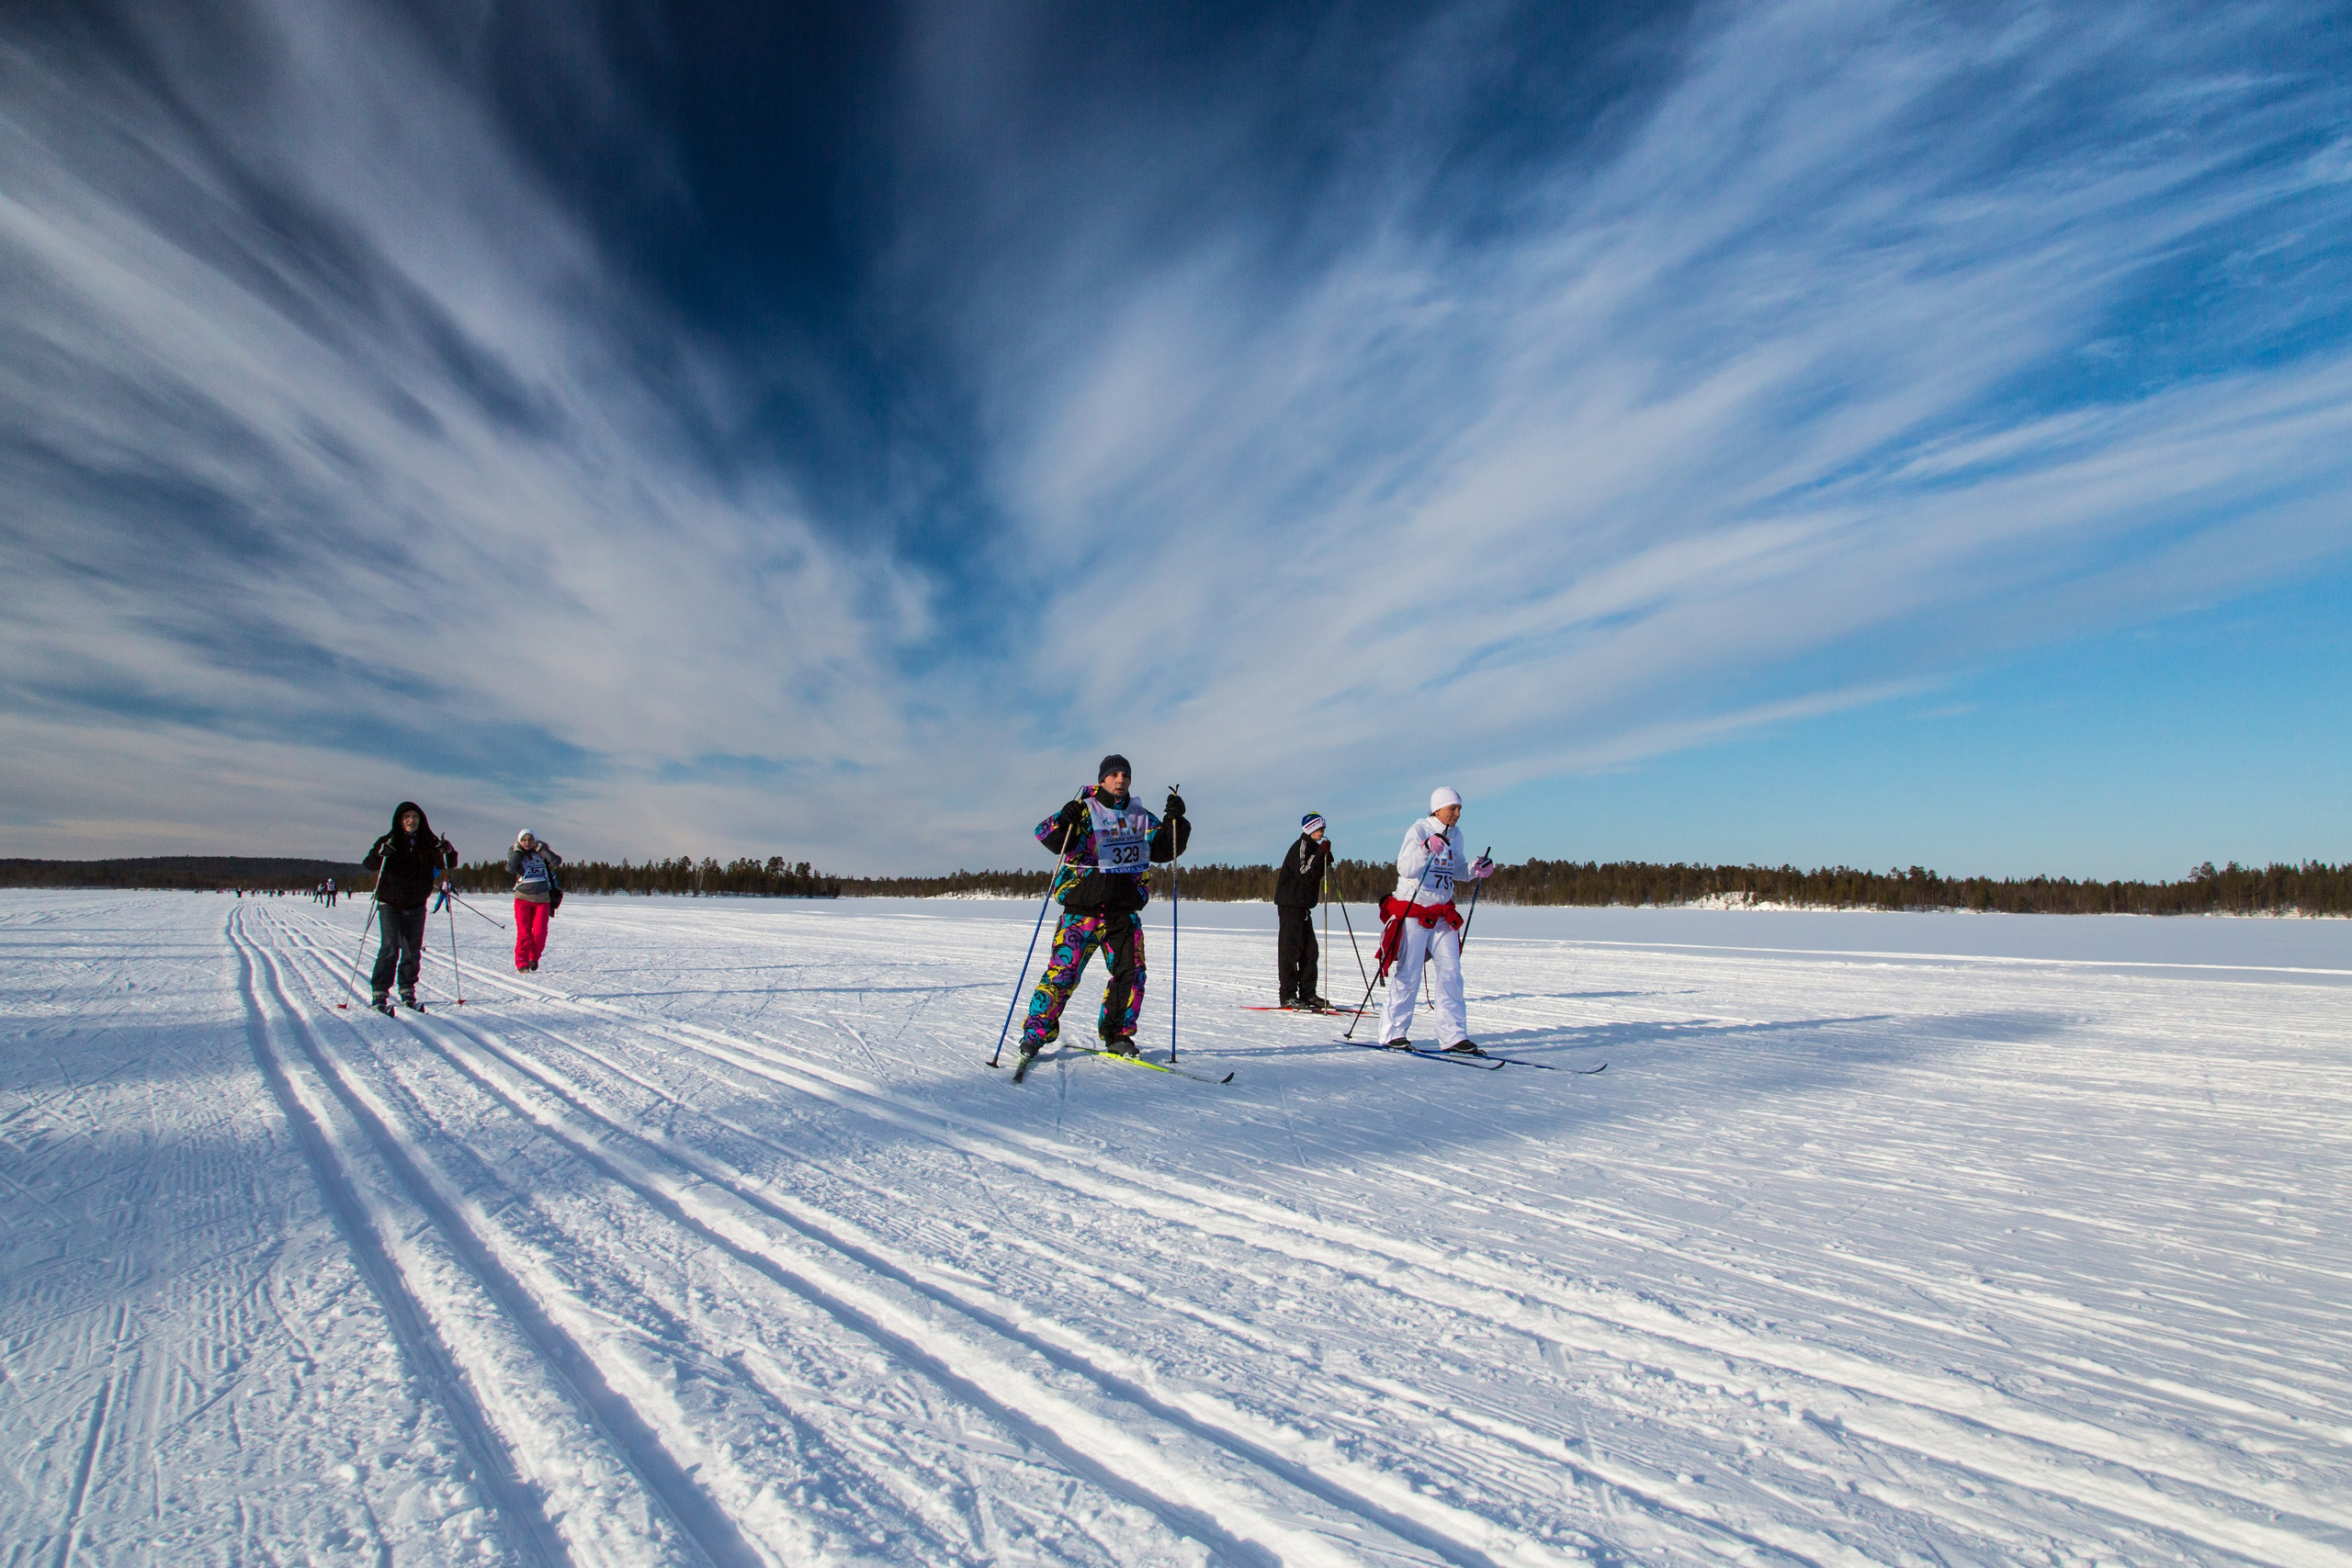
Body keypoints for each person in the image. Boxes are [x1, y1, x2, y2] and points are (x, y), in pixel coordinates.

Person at [1017, 755, 1191, 1064]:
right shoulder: (1084, 809)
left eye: (1125, 774)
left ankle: (1118, 1035)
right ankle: (1035, 1035)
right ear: (1102, 779)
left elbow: (1166, 848)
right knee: (1062, 975)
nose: (1120, 779)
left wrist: (1177, 821)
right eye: (1114, 774)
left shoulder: (1139, 815)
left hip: (1122, 912)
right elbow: (1047, 836)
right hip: (1080, 910)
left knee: (1131, 975)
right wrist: (1064, 816)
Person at [1374, 786, 1495, 1053]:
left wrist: (1476, 869)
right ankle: (1393, 1033)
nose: (1457, 813)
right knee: (1409, 971)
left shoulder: (1456, 835)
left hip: (1442, 911)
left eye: (1460, 809)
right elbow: (1405, 868)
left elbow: (1456, 869)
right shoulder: (1419, 830)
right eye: (1453, 808)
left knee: (1452, 972)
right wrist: (1426, 848)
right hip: (1415, 910)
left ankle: (1453, 1036)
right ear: (1438, 808)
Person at [362, 801, 458, 1013]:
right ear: (399, 820)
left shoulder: (430, 842)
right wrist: (380, 853)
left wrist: (448, 851)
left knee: (412, 950)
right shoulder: (389, 841)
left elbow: (447, 864)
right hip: (390, 901)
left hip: (416, 903)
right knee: (389, 948)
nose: (411, 820)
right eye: (407, 817)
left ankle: (407, 988)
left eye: (415, 816)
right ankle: (379, 991)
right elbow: (369, 864)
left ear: (421, 820)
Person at [1274, 812, 1335, 1010]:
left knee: (1310, 952)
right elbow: (1303, 873)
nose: (1322, 832)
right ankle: (1288, 996)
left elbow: (1314, 873)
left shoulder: (1313, 848)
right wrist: (1319, 856)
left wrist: (1325, 860)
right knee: (1290, 952)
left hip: (1304, 907)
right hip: (1290, 905)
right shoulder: (1301, 847)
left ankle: (1308, 994)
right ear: (1310, 829)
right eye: (1319, 829)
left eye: (1323, 829)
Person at [508, 830, 563, 971]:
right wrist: (518, 852)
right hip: (523, 898)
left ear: (535, 840)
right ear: (520, 841)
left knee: (540, 933)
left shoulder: (541, 852)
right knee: (524, 933)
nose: (527, 843)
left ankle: (534, 957)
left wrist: (544, 850)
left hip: (542, 898)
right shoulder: (515, 852)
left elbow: (556, 861)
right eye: (524, 840)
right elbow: (510, 867)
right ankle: (522, 961)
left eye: (530, 839)